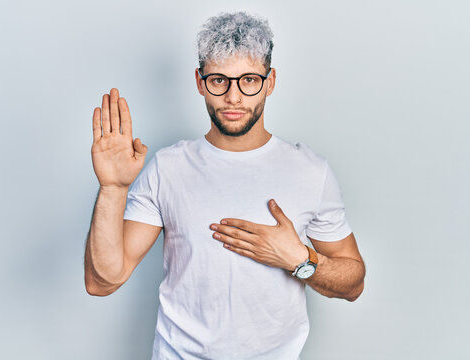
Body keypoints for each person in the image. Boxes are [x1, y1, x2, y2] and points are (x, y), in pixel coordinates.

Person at [84, 11, 366, 360]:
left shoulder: (310, 171)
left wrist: (298, 258)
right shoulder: (168, 168)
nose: (233, 97)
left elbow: (354, 283)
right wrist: (112, 189)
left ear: (270, 81)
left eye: (248, 80)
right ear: (200, 82)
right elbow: (102, 281)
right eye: (219, 80)